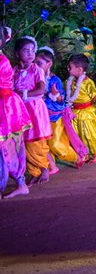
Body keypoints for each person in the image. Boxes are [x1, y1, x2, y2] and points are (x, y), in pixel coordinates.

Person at [12, 37, 52, 184]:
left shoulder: (37, 69)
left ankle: (44, 168)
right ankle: (34, 172)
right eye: (26, 50)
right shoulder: (14, 71)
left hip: (35, 108)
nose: (30, 53)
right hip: (21, 109)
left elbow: (42, 89)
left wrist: (25, 94)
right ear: (17, 53)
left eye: (32, 51)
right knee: (24, 141)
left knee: (36, 140)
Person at [36, 47, 81, 170]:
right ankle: (52, 166)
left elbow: (61, 100)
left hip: (54, 117)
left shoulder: (55, 80)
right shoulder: (36, 77)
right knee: (44, 143)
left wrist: (55, 94)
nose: (36, 66)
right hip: (40, 116)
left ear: (49, 63)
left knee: (56, 144)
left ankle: (76, 157)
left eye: (39, 63)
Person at [0, 26, 31, 199]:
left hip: (6, 107)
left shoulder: (1, 60)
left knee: (8, 146)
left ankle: (19, 182)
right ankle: (19, 183)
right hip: (5, 104)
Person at [64, 54, 96, 163]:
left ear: (79, 69)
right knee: (77, 134)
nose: (68, 69)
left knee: (89, 134)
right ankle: (84, 153)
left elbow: (95, 95)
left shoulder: (88, 82)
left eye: (70, 67)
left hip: (86, 113)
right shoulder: (69, 81)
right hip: (74, 112)